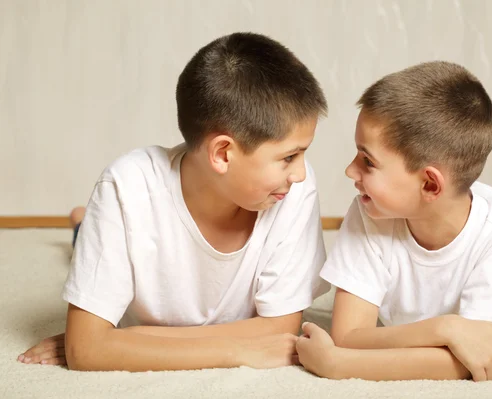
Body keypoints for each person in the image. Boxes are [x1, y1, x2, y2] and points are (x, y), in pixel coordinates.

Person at [17, 32, 330, 371]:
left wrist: (123, 341)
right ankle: (83, 224)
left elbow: (279, 330)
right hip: (121, 220)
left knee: (91, 249)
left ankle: (82, 224)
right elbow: (87, 352)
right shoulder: (126, 188)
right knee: (90, 243)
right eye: (289, 157)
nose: (300, 172)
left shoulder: (292, 188)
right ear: (222, 153)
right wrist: (236, 351)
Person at [296, 61, 492, 382]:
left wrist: (338, 365)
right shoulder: (369, 213)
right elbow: (348, 336)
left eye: (368, 161)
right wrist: (445, 328)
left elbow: (484, 359)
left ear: (430, 185)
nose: (350, 171)